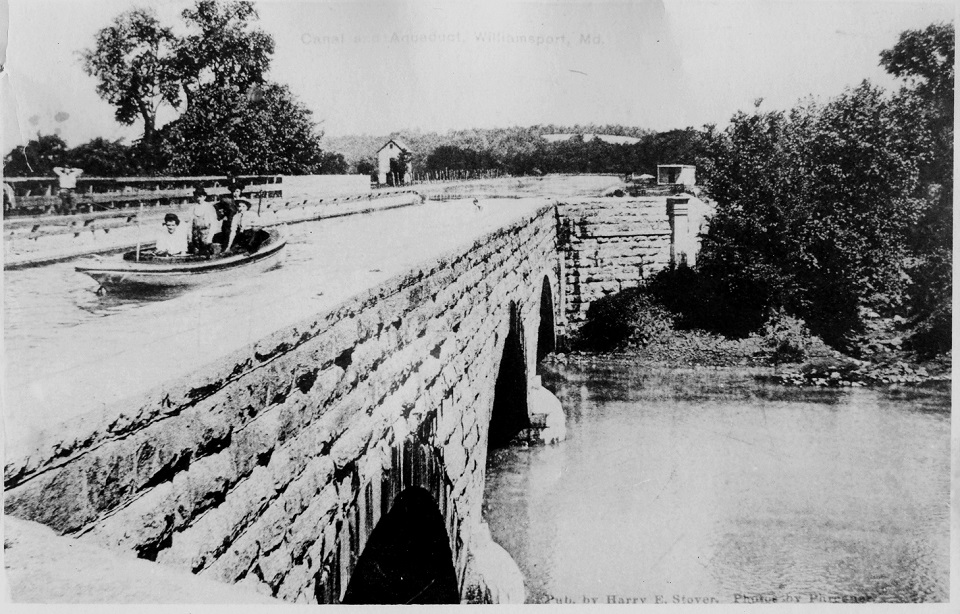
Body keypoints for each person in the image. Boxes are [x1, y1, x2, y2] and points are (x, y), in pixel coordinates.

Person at [190, 186, 219, 255]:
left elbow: (214, 223)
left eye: (200, 196)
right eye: (197, 196)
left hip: (206, 234)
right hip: (196, 234)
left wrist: (209, 238)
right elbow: (190, 223)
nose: (198, 198)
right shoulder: (192, 208)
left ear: (204, 197)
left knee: (207, 252)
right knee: (196, 253)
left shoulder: (209, 207)